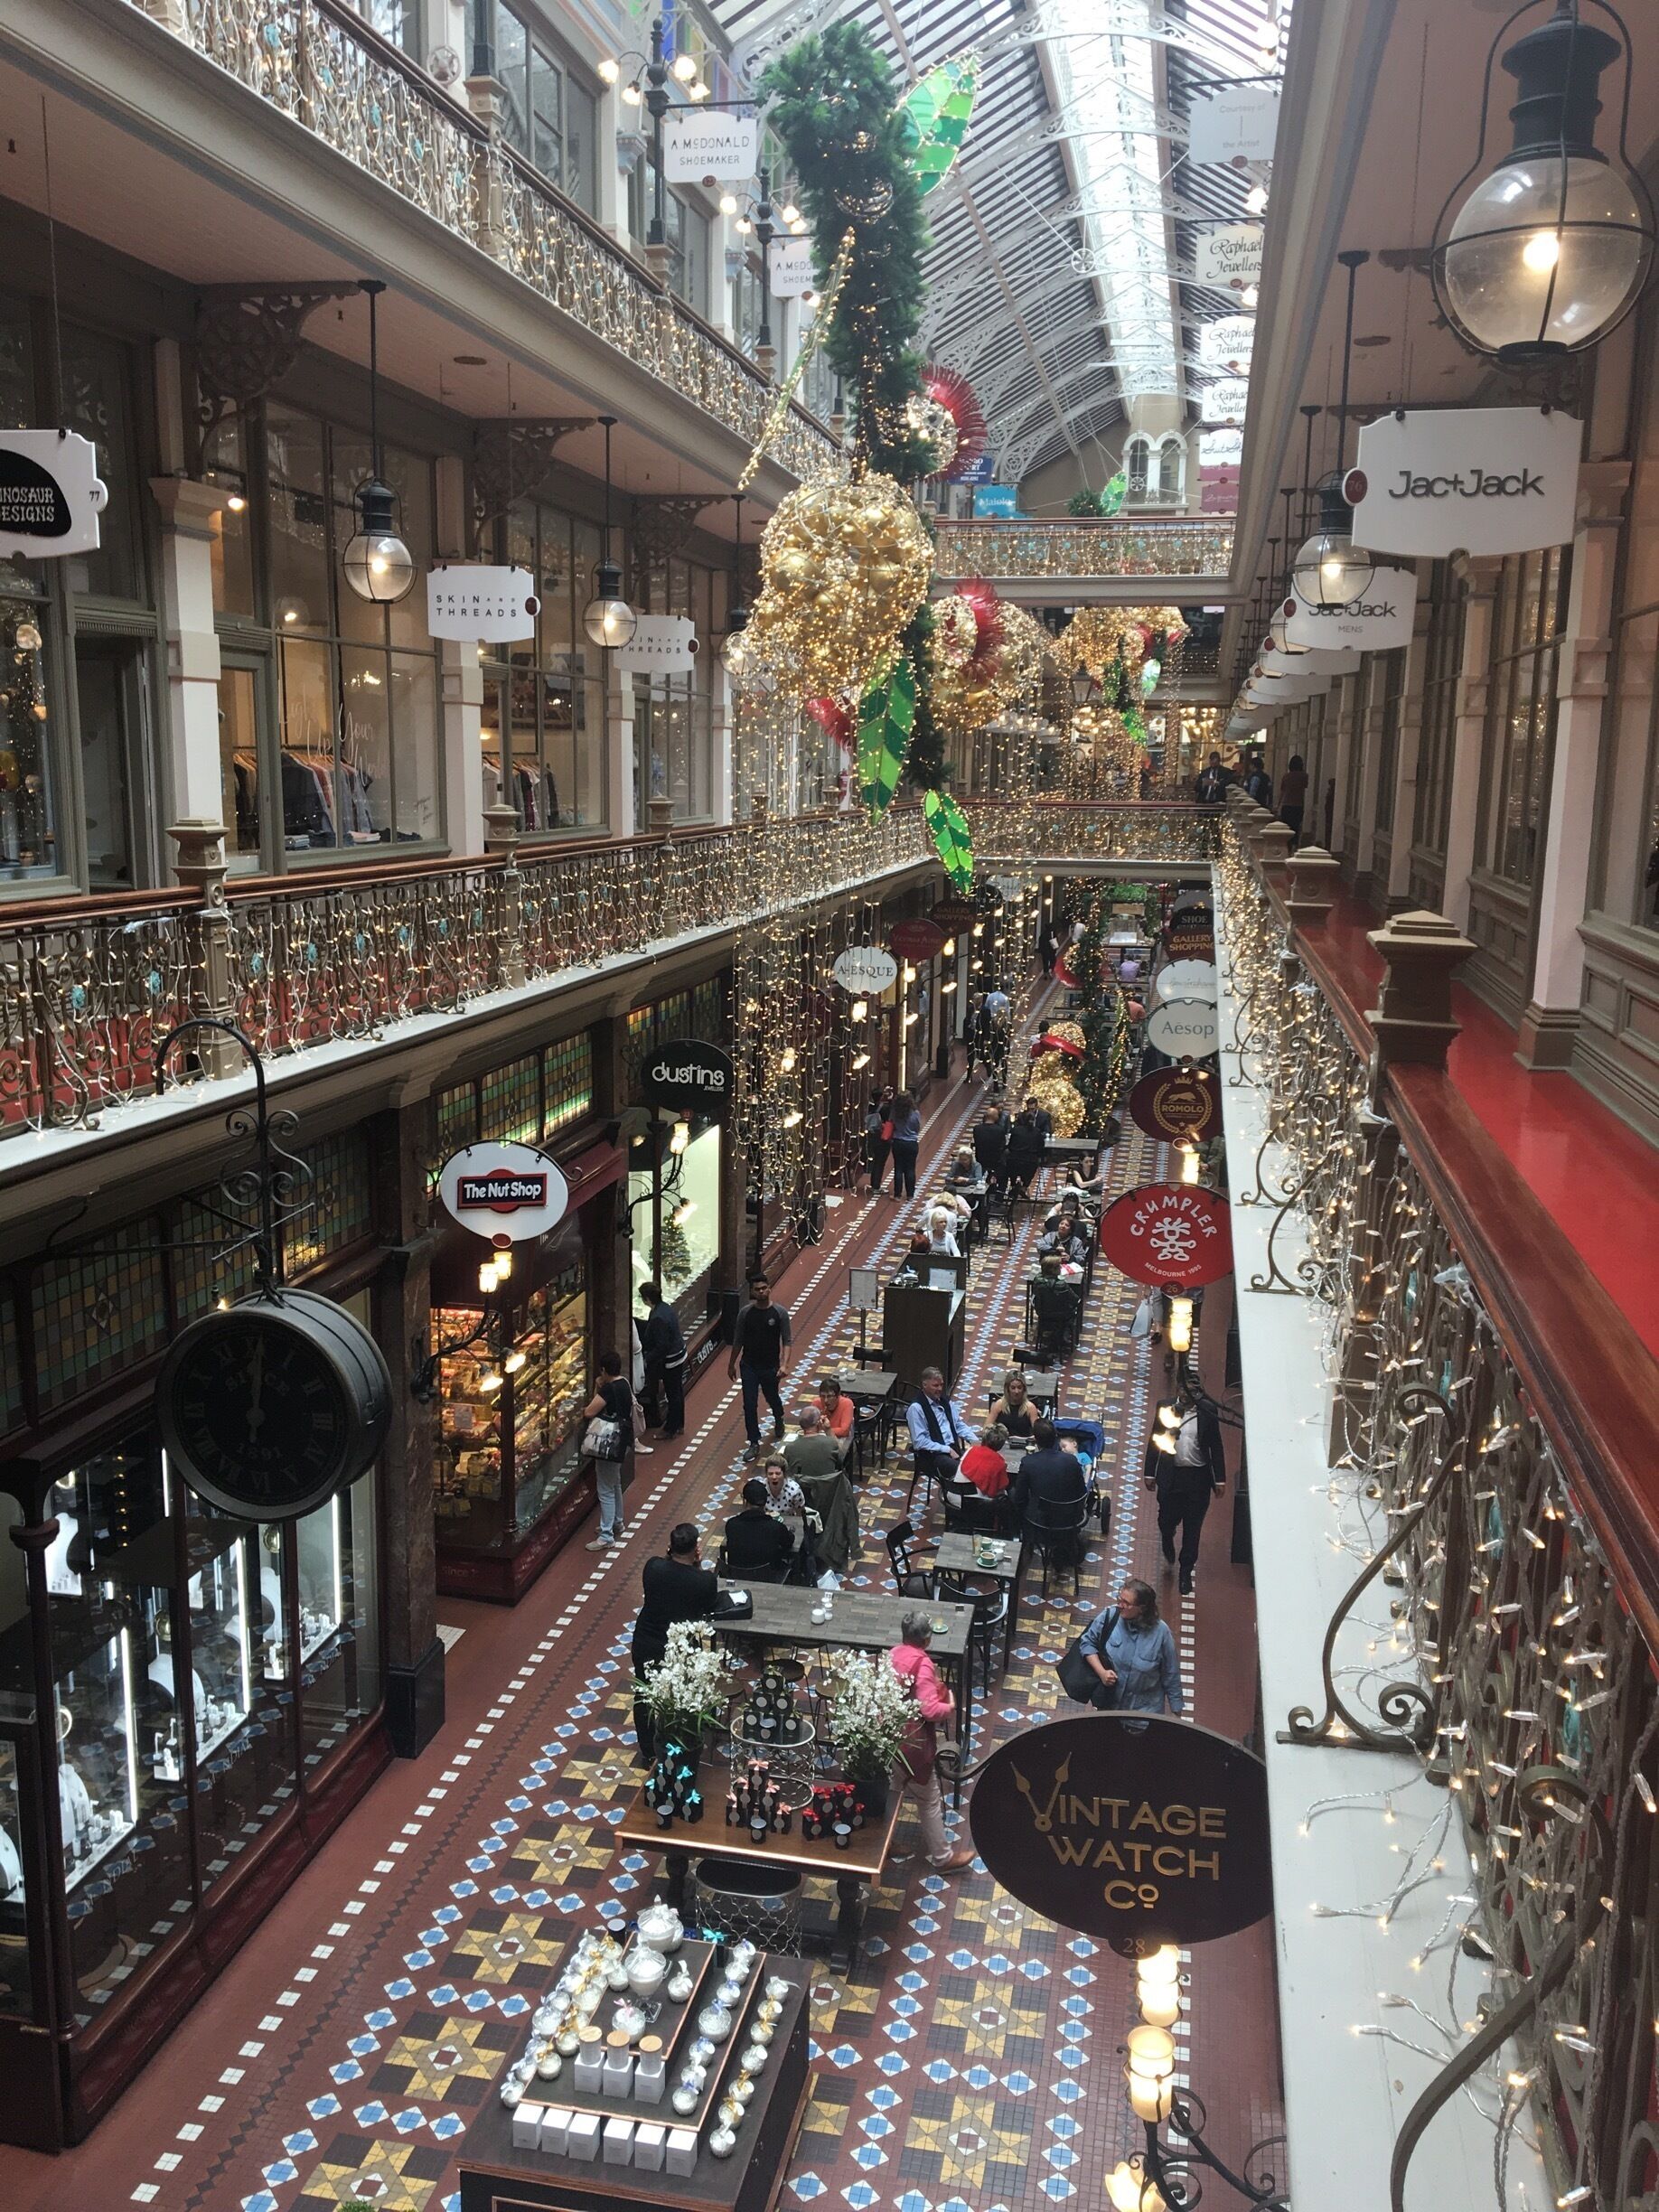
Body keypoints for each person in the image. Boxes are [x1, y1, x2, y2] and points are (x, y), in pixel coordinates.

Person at [888, 1612, 974, 1871]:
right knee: (929, 1797)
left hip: (888, 1734)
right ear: (927, 1640)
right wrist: (949, 1705)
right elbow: (928, 1710)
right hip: (911, 1742)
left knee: (893, 1788)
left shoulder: (893, 1654)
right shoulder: (923, 1664)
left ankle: (884, 1841)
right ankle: (942, 1856)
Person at [630, 1523, 717, 1758]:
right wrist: (697, 1566)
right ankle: (682, 1744)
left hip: (646, 1639)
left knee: (644, 1694)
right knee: (683, 1694)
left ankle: (648, 1752)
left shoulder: (652, 1567)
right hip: (680, 1646)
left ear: (670, 1546)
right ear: (696, 1549)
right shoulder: (704, 1581)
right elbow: (708, 1607)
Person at [1144, 1394, 1227, 1595]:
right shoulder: (1165, 1407)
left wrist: (1219, 1479)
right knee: (1166, 1519)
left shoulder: (1208, 1410)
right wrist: (1149, 1472)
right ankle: (1167, 1535)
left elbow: (1216, 1445)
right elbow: (1155, 1439)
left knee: (1193, 1528)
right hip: (1171, 1476)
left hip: (1198, 1479)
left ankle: (1185, 1571)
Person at [1078, 1579, 1184, 1714]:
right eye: (1119, 1599)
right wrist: (1102, 1673)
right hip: (1110, 1707)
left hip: (1144, 1713)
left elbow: (1171, 1672)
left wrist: (1177, 1710)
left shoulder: (1162, 1633)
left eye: (1126, 1603)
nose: (1120, 1605)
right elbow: (1088, 1643)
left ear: (1142, 1608)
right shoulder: (1109, 1617)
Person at [729, 1274, 792, 1464]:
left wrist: (784, 1364)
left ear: (769, 1288)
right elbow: (738, 1340)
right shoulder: (745, 1314)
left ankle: (779, 1417)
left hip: (770, 1367)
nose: (761, 1291)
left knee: (772, 1397)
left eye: (764, 1287)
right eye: (757, 1289)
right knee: (749, 1404)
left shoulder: (779, 1313)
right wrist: (731, 1363)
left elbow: (787, 1340)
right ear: (752, 1291)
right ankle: (754, 1441)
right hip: (749, 1365)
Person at [1009, 1417, 1090, 1557]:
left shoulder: (1028, 1462)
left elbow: (1020, 1499)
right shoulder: (1071, 1460)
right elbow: (1081, 1491)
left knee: (1012, 1492)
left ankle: (1019, 1537)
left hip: (1042, 1523)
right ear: (1055, 1438)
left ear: (1036, 1440)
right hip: (1070, 1519)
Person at [583, 1350, 638, 1551]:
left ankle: (606, 1536)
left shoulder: (608, 1389)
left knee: (605, 1489)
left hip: (607, 1443)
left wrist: (597, 1388)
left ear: (604, 1370)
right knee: (614, 1483)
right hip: (622, 1441)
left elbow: (589, 1411)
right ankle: (617, 1522)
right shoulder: (624, 1383)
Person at [905, 1364, 979, 1494]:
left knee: (978, 1465)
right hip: (932, 1456)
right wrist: (947, 1449)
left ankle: (966, 1503)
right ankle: (958, 1506)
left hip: (953, 1450)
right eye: (935, 1386)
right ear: (924, 1385)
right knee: (965, 1473)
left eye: (941, 1385)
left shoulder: (946, 1401)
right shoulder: (916, 1409)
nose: (939, 1389)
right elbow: (919, 1442)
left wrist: (974, 1440)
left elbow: (958, 1425)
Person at [636, 1278, 687, 1440]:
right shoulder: (664, 1308)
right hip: (679, 1354)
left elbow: (662, 1345)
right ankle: (679, 1424)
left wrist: (647, 1359)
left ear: (647, 1299)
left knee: (673, 1394)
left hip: (671, 1360)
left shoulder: (658, 1317)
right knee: (677, 1391)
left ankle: (670, 1428)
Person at [722, 1476, 797, 1581]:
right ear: (765, 1502)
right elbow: (788, 1542)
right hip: (769, 1579)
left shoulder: (731, 1525)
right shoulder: (775, 1527)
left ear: (745, 1501)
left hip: (737, 1578)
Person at [1030, 1251, 1083, 1359]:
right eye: (1058, 1266)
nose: (1060, 1267)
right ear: (1053, 1269)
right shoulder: (1062, 1284)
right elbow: (1075, 1299)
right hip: (1062, 1316)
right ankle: (1065, 1338)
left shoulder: (1037, 1281)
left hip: (1043, 1314)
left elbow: (1035, 1296)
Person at [783, 1403, 841, 1484]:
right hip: (827, 1490)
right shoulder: (830, 1443)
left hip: (801, 1491)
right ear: (819, 1423)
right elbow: (842, 1456)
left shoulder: (790, 1448)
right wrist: (828, 1430)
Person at [958, 1421, 1012, 1499]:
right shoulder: (999, 1463)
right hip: (974, 1504)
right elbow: (996, 1492)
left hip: (954, 1494)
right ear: (1001, 1445)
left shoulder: (971, 1450)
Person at [1004, 1103, 1047, 1198]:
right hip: (1030, 1163)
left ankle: (1014, 1184)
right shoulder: (1037, 1132)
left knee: (1010, 1163)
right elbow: (1041, 1148)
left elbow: (1011, 1146)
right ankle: (1024, 1187)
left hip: (1014, 1161)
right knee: (1033, 1166)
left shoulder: (1016, 1130)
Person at [807, 1374, 855, 1457]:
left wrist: (824, 1430)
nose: (825, 1400)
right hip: (821, 1438)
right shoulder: (816, 1403)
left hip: (840, 1439)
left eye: (829, 1396)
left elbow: (844, 1431)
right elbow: (810, 1426)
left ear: (838, 1395)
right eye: (822, 1396)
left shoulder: (847, 1403)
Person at [888, 1091, 922, 1199]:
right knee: (910, 1169)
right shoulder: (915, 1113)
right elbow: (917, 1128)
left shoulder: (895, 1112)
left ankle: (897, 1195)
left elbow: (891, 1123)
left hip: (898, 1142)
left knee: (898, 1168)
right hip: (911, 1143)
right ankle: (910, 1195)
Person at [989, 1367, 1036, 1439]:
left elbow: (1037, 1435)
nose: (1016, 1392)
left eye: (1019, 1388)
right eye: (1013, 1388)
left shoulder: (1030, 1408)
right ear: (1007, 1389)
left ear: (1024, 1389)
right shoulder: (999, 1405)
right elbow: (987, 1428)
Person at [866, 1085, 895, 1198]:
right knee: (880, 1162)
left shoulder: (871, 1107)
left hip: (873, 1137)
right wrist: (891, 1099)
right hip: (883, 1137)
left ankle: (874, 1183)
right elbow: (891, 1116)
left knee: (876, 1161)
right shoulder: (885, 1108)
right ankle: (876, 1186)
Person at [973, 1105, 1011, 1190]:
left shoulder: (977, 1129)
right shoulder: (1000, 1130)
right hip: (996, 1161)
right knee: (1004, 1178)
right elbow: (1003, 1145)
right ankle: (999, 1198)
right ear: (994, 1117)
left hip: (981, 1160)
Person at [1279, 752, 1309, 841]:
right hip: (1298, 805)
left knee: (1287, 828)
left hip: (1287, 805)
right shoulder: (1304, 776)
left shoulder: (1286, 776)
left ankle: (1287, 846)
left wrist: (1278, 805)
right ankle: (1295, 846)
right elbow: (1305, 786)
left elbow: (1282, 791)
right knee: (1296, 827)